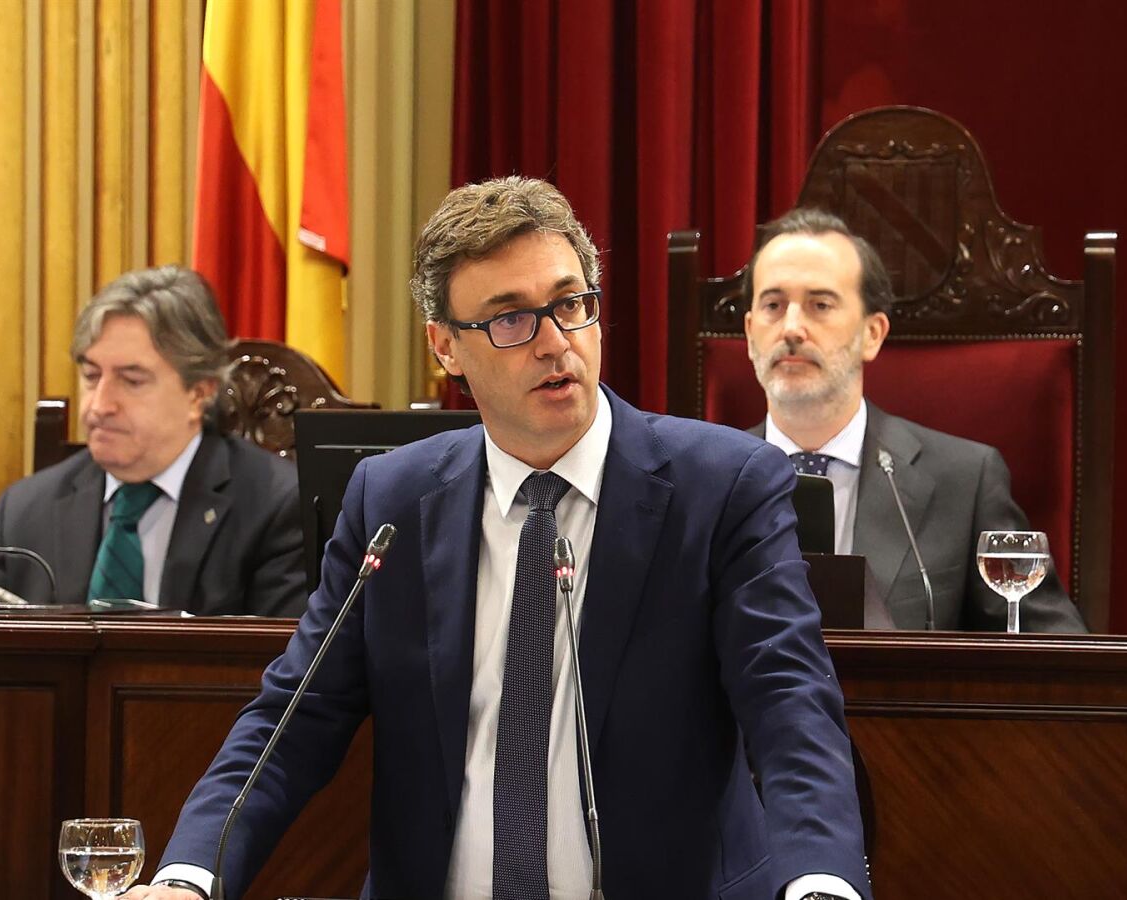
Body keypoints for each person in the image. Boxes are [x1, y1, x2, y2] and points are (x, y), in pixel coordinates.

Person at [128, 178, 869, 900]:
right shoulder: (391, 502)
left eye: (570, 304)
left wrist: (821, 885)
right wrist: (188, 878)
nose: (555, 343)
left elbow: (789, 703)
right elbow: (293, 718)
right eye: (511, 319)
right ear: (446, 347)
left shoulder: (722, 487)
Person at [0, 266, 308, 616]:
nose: (99, 405)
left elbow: (281, 677)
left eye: (132, 380)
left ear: (199, 393)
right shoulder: (28, 510)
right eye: (91, 376)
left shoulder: (276, 505)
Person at [741, 207, 1086, 633]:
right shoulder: (702, 481)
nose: (792, 328)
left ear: (872, 334)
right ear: (750, 333)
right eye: (774, 305)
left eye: (820, 305)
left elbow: (1051, 645)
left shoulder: (966, 481)